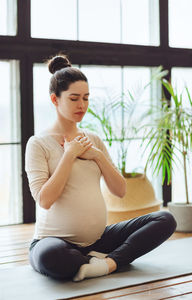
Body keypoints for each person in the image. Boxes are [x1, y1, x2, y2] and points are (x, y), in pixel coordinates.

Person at [25, 54, 177, 282]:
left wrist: (96, 156)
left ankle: (107, 264)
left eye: (86, 98)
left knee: (166, 220)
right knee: (51, 256)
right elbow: (45, 200)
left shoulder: (93, 140)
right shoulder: (38, 143)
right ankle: (105, 259)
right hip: (53, 241)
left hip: (98, 240)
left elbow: (120, 191)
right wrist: (69, 156)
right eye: (74, 98)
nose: (82, 105)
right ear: (55, 100)